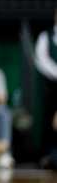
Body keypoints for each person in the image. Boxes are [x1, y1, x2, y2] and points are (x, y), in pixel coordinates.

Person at [34, 10, 57, 168]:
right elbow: (41, 60)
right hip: (51, 86)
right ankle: (48, 155)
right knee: (49, 120)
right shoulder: (45, 36)